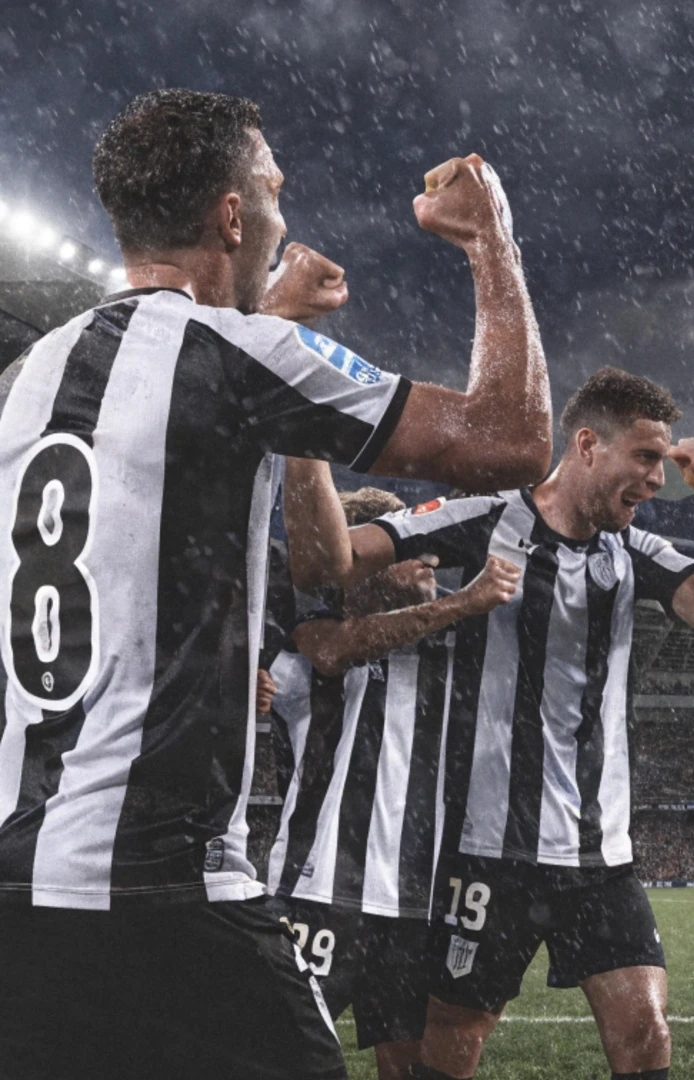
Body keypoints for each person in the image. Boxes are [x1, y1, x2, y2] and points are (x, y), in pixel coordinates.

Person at [0, 88, 551, 1080]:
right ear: (232, 215)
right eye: (275, 191)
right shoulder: (237, 356)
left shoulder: (27, 380)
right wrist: (491, 238)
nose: (285, 216)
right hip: (161, 885)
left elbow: (317, 567)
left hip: (17, 887)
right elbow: (512, 437)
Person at [323, 368, 694, 1080]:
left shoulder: (633, 553)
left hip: (598, 853)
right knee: (452, 1041)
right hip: (486, 848)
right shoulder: (484, 522)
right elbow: (344, 552)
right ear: (587, 444)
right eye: (645, 458)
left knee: (644, 1030)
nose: (657, 478)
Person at [265, 485, 520, 1080]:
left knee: (406, 1065)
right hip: (319, 891)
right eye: (409, 545)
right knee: (281, 1056)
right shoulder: (312, 661)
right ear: (364, 567)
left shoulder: (459, 651)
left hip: (416, 902)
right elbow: (310, 653)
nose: (429, 556)